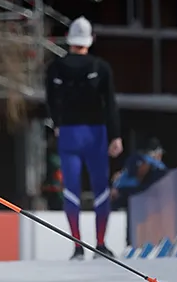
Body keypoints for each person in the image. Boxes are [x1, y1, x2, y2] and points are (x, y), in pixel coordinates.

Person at [45, 16, 123, 260]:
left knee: (71, 190)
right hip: (95, 133)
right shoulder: (101, 68)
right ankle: (100, 244)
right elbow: (110, 104)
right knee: (100, 189)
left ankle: (77, 246)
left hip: (68, 133)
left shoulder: (55, 68)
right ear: (91, 40)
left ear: (69, 39)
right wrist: (115, 135)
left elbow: (50, 101)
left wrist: (57, 124)